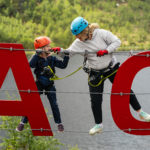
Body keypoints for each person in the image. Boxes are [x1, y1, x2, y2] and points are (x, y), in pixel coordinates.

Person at [51, 16, 150, 135]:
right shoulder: (79, 43)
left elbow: (117, 42)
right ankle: (98, 125)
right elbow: (68, 53)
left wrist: (106, 50)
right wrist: (60, 51)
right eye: (75, 35)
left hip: (111, 67)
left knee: (125, 89)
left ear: (85, 31)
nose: (77, 37)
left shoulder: (101, 34)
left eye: (78, 34)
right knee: (95, 100)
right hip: (95, 72)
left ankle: (141, 113)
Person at [16, 36, 69, 132]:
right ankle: (22, 122)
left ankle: (59, 123)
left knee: (54, 104)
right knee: (32, 102)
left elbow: (63, 65)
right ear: (41, 49)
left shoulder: (52, 58)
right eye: (47, 46)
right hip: (39, 83)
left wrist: (66, 55)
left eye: (49, 45)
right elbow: (29, 65)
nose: (50, 47)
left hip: (50, 84)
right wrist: (37, 54)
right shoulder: (36, 58)